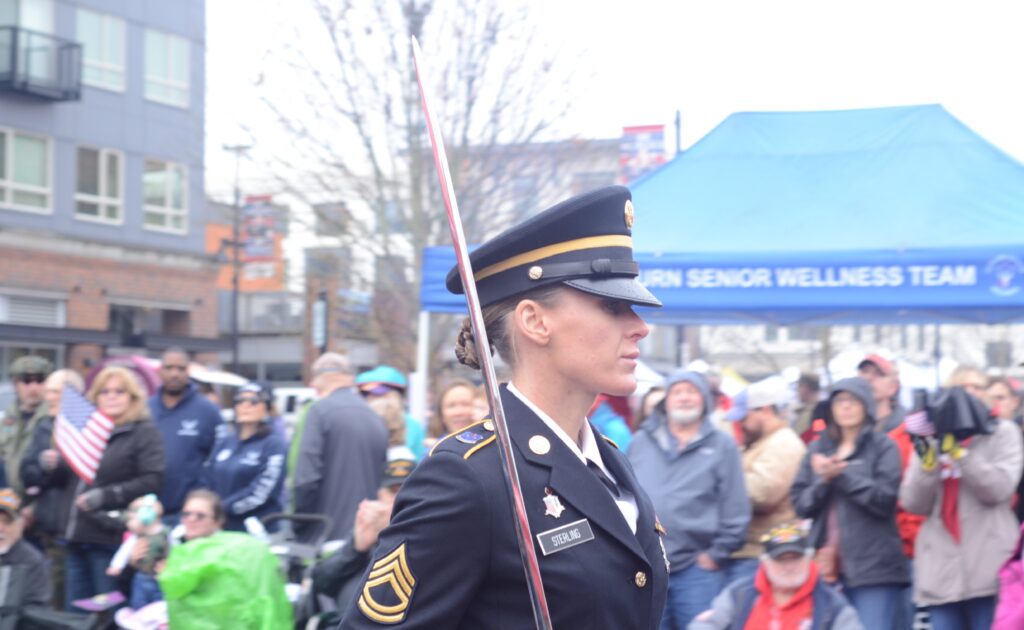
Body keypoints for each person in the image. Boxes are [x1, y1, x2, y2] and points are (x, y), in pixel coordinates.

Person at [340, 186, 669, 629]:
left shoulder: (608, 461)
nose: (640, 327)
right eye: (613, 306)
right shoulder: (469, 477)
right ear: (535, 320)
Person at [628, 369, 750, 630]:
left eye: (692, 392)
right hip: (650, 565)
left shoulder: (721, 445)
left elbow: (735, 505)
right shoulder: (641, 441)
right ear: (666, 400)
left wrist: (717, 554)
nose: (684, 398)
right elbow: (625, 495)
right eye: (677, 392)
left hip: (699, 568)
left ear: (705, 399)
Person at [900, 381, 1023, 629]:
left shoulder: (1002, 433)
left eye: (972, 391)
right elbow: (913, 503)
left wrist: (961, 456)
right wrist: (928, 465)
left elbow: (999, 489)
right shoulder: (930, 436)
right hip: (941, 573)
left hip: (990, 569)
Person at [790, 377, 908, 629]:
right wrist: (823, 482)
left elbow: (884, 500)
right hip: (825, 567)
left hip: (874, 568)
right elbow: (801, 504)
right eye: (840, 400)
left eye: (853, 400)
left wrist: (842, 476)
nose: (846, 407)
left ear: (866, 405)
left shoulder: (883, 446)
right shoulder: (816, 448)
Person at [64, 366, 165, 610]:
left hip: (112, 537)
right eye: (105, 391)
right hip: (76, 535)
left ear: (132, 397)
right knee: (76, 614)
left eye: (120, 391)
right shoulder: (85, 431)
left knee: (108, 612)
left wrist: (105, 496)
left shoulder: (144, 432)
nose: (111, 396)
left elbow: (153, 479)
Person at [690, 522, 863, 630]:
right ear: (765, 563)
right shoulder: (740, 594)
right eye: (780, 560)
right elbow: (705, 625)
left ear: (809, 559)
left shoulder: (832, 606)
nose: (789, 567)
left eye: (795, 558)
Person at [293, 353, 387, 542]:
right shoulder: (374, 416)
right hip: (364, 535)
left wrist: (298, 525)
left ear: (316, 382)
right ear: (350, 379)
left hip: (324, 533)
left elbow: (306, 479)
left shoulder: (318, 411)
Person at [724, 378, 807, 587]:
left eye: (745, 416)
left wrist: (720, 484)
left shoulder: (783, 444)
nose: (740, 423)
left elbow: (761, 494)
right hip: (750, 550)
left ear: (765, 410)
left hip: (761, 553)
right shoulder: (762, 442)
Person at [313, 455, 417, 615]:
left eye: (405, 490)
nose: (398, 499)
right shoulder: (369, 525)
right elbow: (322, 583)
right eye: (392, 491)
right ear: (380, 495)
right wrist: (356, 549)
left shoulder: (428, 532)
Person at [19, 368, 85, 609]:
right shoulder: (45, 425)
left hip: (76, 524)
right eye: (48, 391)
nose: (48, 397)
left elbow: (81, 476)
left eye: (55, 391)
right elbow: (26, 473)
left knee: (74, 597)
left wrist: (58, 467)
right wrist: (42, 466)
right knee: (51, 593)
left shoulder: (86, 427)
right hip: (47, 525)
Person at [148, 348, 223, 524]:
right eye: (169, 368)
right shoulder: (145, 409)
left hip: (190, 514)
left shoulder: (208, 411)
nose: (174, 374)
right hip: (149, 509)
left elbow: (218, 459)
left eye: (180, 369)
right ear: (160, 371)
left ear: (188, 371)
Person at [202, 382, 287, 532]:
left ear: (266, 408)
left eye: (253, 401)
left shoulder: (274, 444)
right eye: (240, 401)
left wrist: (221, 509)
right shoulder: (226, 442)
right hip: (220, 527)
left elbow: (262, 491)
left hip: (256, 529)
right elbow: (208, 477)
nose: (245, 406)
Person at [0, 355, 53, 494]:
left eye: (40, 380)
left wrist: (34, 509)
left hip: (39, 503)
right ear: (15, 385)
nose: (33, 387)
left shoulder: (54, 420)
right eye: (26, 381)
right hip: (7, 503)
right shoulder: (6, 420)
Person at [356, 365, 427, 460]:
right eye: (365, 394)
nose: (370, 398)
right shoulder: (357, 422)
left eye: (377, 394)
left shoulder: (412, 425)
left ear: (396, 395)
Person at [0, 487, 51, 607]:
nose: (0, 528)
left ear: (20, 525)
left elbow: (37, 610)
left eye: (7, 522)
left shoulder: (32, 561)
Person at [857, 353, 904, 433]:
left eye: (879, 374)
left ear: (893, 387)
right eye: (865, 371)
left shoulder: (906, 430)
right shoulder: (841, 426)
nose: (869, 378)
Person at [425, 379, 478, 445]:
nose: (458, 412)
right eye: (451, 406)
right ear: (441, 415)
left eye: (466, 404)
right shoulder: (432, 452)